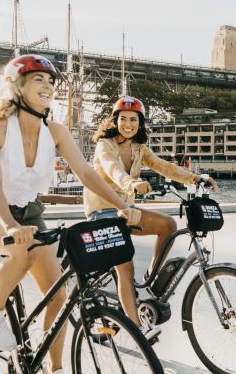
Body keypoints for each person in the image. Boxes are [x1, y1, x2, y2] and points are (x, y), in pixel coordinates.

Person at [0, 55, 141, 374]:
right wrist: (11, 226)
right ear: (16, 85)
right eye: (38, 79)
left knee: (58, 295)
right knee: (20, 250)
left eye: (51, 81)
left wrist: (122, 204)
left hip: (30, 213)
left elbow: (87, 175)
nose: (48, 86)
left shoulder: (55, 131)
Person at [84, 96, 218, 339]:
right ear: (115, 121)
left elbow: (164, 166)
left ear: (140, 123)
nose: (127, 124)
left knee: (168, 224)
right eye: (123, 119)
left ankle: (151, 277)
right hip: (103, 211)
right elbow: (112, 168)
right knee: (125, 268)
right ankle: (138, 330)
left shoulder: (139, 148)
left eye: (133, 120)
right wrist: (131, 182)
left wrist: (196, 178)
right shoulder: (105, 145)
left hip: (127, 211)